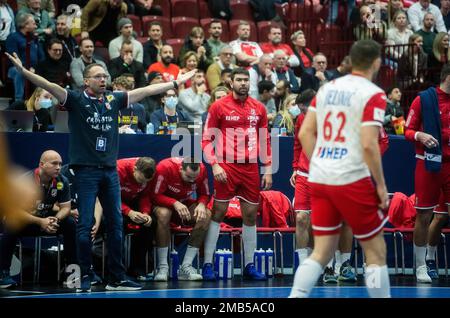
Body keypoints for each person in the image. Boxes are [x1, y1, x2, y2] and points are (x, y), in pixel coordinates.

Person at [5, 51, 196, 292]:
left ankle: (117, 277)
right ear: (86, 81)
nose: (103, 79)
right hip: (86, 172)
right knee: (85, 225)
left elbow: (147, 91)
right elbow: (50, 85)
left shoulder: (113, 99)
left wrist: (177, 82)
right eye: (98, 76)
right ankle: (85, 276)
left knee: (116, 223)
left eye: (105, 76)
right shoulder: (74, 99)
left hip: (109, 171)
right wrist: (24, 72)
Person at [290, 39, 390, 298]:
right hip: (352, 177)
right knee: (376, 251)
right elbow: (369, 144)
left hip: (321, 177)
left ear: (350, 61)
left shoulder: (327, 89)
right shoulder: (373, 93)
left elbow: (305, 134)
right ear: (376, 63)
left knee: (321, 251)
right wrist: (380, 185)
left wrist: (322, 163)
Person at [201, 67, 272, 281]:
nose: (243, 83)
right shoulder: (218, 106)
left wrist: (268, 168)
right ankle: (207, 264)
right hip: (226, 166)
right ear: (231, 83)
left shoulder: (259, 108)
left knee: (250, 215)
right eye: (239, 80)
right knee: (218, 212)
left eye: (246, 80)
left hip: (250, 168)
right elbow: (206, 140)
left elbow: (264, 141)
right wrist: (214, 165)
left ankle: (249, 265)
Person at [0, 150, 76, 288]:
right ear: (41, 164)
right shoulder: (26, 181)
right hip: (27, 222)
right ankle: (2, 273)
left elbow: (66, 208)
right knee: (11, 223)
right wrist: (40, 221)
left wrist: (55, 219)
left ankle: (72, 274)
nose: (59, 167)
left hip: (48, 222)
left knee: (70, 223)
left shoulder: (61, 181)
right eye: (54, 163)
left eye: (60, 164)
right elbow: (14, 211)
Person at [404, 64, 450, 283]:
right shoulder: (424, 99)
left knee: (443, 216)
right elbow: (407, 130)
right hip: (430, 162)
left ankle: (431, 258)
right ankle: (421, 266)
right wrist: (420, 135)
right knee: (424, 215)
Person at [152, 157, 212, 281]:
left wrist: (201, 204)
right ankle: (163, 267)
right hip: (164, 205)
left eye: (195, 178)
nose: (192, 181)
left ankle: (186, 266)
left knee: (205, 215)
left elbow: (205, 194)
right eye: (189, 177)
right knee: (164, 214)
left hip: (184, 207)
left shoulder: (202, 170)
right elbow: (154, 195)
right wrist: (174, 203)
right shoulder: (164, 167)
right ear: (180, 169)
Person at [117, 157, 156, 281]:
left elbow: (145, 196)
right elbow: (109, 197)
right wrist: (128, 212)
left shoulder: (149, 175)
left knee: (149, 223)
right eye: (140, 179)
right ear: (135, 169)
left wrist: (145, 213)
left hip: (133, 204)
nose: (141, 184)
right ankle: (118, 270)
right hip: (114, 205)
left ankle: (138, 267)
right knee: (119, 223)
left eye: (144, 182)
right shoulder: (118, 170)